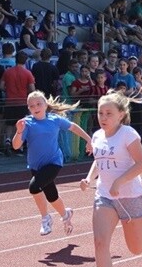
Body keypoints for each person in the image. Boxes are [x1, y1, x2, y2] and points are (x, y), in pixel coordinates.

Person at [79, 91, 142, 267]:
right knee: (100, 243)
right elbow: (99, 160)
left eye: (108, 113)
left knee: (135, 248)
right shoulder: (97, 136)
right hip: (104, 196)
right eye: (100, 113)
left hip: (130, 196)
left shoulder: (128, 134)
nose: (103, 117)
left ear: (121, 115)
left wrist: (120, 181)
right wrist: (89, 179)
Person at [12, 91, 93, 236]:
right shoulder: (27, 123)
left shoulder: (55, 119)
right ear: (28, 108)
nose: (35, 107)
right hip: (36, 165)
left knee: (34, 187)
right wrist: (19, 132)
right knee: (51, 195)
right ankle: (65, 214)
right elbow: (16, 146)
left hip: (54, 162)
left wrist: (89, 140)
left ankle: (45, 218)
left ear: (45, 105)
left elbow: (73, 127)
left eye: (38, 104)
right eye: (32, 106)